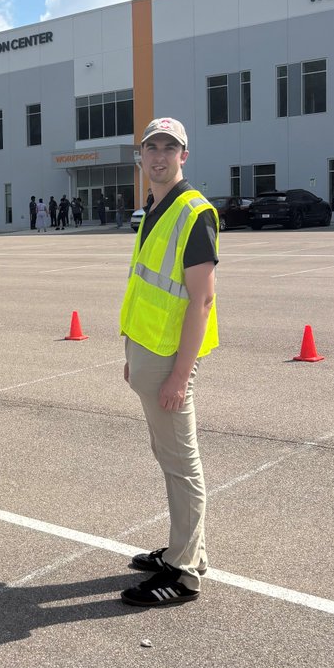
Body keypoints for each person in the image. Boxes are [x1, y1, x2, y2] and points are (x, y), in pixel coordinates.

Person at [118, 118, 219, 608]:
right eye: (150, 147)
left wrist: (180, 375)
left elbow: (201, 301)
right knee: (169, 457)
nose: (159, 156)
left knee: (182, 465)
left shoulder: (193, 212)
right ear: (141, 156)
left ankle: (184, 575)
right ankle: (183, 550)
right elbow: (144, 287)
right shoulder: (155, 208)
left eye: (169, 148)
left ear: (184, 155)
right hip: (147, 353)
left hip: (170, 360)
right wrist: (129, 354)